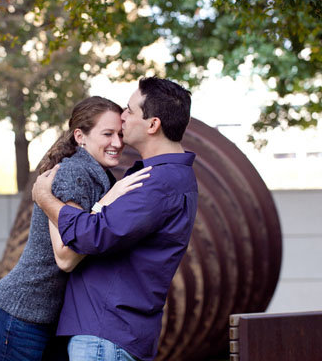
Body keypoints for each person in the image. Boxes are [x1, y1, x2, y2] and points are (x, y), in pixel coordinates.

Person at [33, 77, 199, 361]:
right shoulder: (166, 177)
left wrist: (45, 198)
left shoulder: (158, 183)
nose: (122, 116)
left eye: (130, 111)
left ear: (153, 125)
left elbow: (91, 236)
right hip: (114, 333)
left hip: (106, 336)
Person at [0, 96, 151, 361]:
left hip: (49, 322)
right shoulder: (75, 173)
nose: (117, 143)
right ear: (80, 136)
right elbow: (66, 257)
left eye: (120, 133)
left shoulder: (100, 175)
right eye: (107, 134)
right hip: (18, 317)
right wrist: (106, 204)